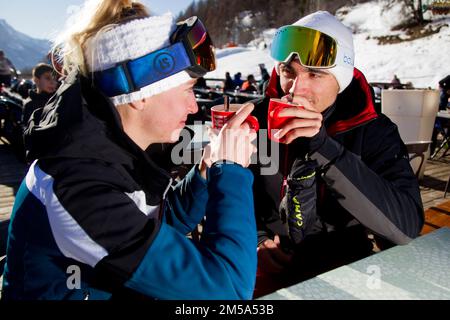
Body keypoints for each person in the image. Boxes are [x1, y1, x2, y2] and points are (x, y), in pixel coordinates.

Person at [2, 0, 257, 300]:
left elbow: (150, 228)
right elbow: (228, 293)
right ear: (140, 96)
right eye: (188, 90)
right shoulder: (79, 187)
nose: (194, 105)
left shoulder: (106, 151)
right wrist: (231, 170)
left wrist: (203, 174)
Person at [250, 11, 424, 297]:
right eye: (288, 71)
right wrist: (253, 238)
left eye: (315, 74)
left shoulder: (373, 130)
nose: (296, 89)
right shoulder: (259, 118)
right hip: (271, 259)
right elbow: (237, 192)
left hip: (345, 265)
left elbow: (405, 227)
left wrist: (324, 149)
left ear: (340, 81)